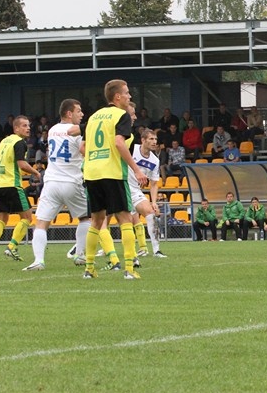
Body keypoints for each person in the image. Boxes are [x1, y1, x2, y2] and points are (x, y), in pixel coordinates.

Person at [81, 80, 148, 280]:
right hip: (111, 172)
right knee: (125, 218)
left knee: (97, 221)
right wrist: (136, 170)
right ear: (117, 97)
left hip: (91, 173)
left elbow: (81, 144)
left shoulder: (94, 117)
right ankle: (129, 268)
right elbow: (119, 142)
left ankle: (89, 268)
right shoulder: (122, 115)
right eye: (127, 93)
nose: (129, 97)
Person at [22, 99, 85, 271]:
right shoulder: (76, 132)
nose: (82, 114)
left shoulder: (52, 130)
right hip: (71, 181)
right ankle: (80, 255)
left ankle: (39, 260)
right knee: (87, 218)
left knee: (41, 223)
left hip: (51, 182)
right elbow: (84, 152)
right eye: (79, 111)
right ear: (69, 113)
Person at [0, 115, 42, 262]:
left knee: (2, 218)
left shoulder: (4, 141)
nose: (28, 128)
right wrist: (36, 172)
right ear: (16, 128)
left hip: (0, 186)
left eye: (28, 125)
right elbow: (22, 164)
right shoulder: (19, 142)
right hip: (13, 185)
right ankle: (11, 247)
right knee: (27, 217)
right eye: (24, 125)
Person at [127, 128, 166, 260]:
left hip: (135, 190)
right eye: (151, 139)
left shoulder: (155, 161)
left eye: (155, 139)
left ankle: (156, 250)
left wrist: (154, 202)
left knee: (150, 213)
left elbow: (154, 184)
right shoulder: (132, 149)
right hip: (120, 187)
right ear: (143, 140)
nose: (154, 142)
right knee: (104, 219)